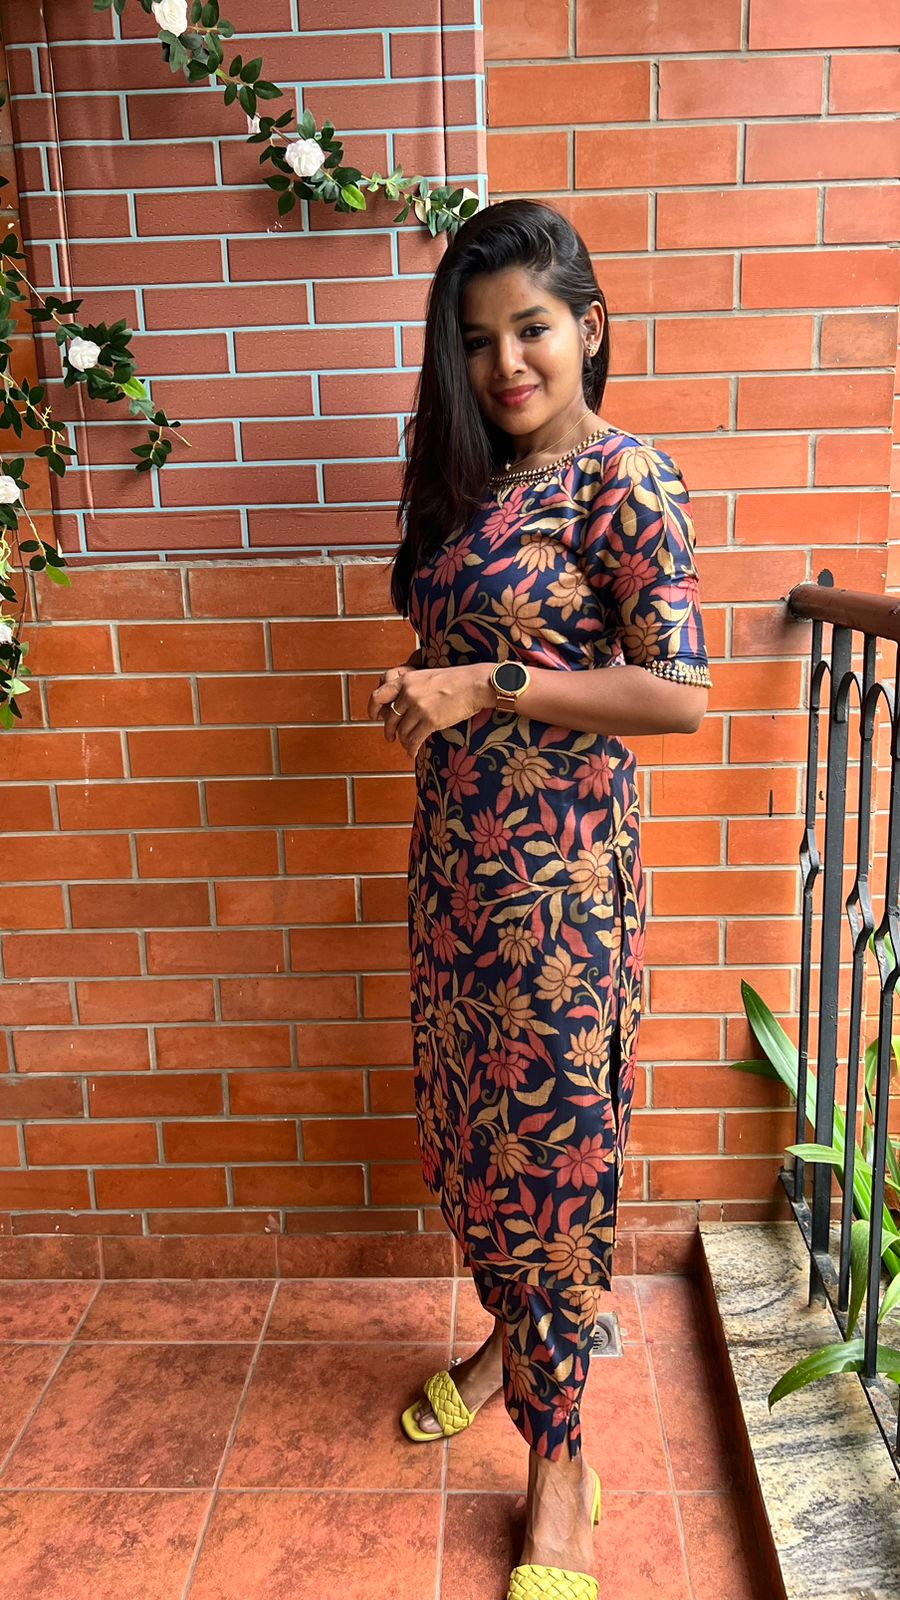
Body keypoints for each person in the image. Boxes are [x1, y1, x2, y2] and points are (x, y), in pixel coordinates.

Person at [367, 197, 712, 1600]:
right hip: (455, 881)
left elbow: (677, 694)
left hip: (561, 903)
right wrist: (432, 687)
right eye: (477, 339)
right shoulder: (474, 486)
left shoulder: (623, 480)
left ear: (590, 329)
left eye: (532, 329)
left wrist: (486, 681)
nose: (505, 363)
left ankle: (559, 1463)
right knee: (472, 1142)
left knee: (554, 1165)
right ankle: (508, 1340)